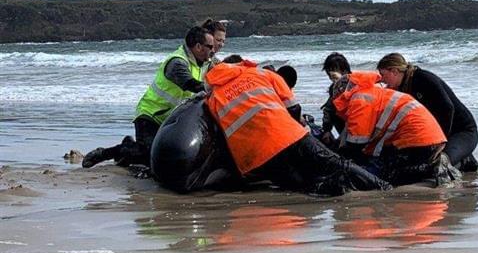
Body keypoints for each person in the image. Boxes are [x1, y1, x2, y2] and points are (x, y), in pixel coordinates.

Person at [204, 59, 392, 196]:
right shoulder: (259, 73)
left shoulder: (213, 99)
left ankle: (335, 190)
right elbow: (293, 107)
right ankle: (382, 188)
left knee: (302, 185)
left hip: (256, 158)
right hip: (287, 135)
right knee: (336, 163)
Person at [82, 26, 215, 169]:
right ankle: (109, 152)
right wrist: (213, 88)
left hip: (169, 120)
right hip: (150, 115)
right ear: (198, 47)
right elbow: (191, 84)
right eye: (211, 46)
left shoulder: (204, 63)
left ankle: (130, 151)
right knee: (151, 156)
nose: (214, 50)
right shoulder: (177, 62)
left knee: (168, 158)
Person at [331, 71, 460, 187]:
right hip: (429, 138)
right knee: (383, 163)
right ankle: (436, 164)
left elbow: (356, 146)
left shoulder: (359, 101)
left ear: (341, 96)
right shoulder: (371, 93)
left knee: (388, 175)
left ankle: (431, 168)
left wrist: (337, 162)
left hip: (417, 140)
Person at [377, 53, 478, 172]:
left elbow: (448, 108)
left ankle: (464, 159)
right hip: (439, 133)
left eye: (383, 75)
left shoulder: (422, 78)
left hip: (462, 131)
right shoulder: (400, 87)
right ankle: (462, 158)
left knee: (440, 163)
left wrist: (440, 141)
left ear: (394, 71)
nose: (381, 79)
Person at [320, 52, 352, 147]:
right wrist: (327, 130)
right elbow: (329, 109)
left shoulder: (355, 84)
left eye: (333, 70)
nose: (330, 75)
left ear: (345, 70)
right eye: (329, 72)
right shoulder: (333, 88)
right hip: (343, 125)